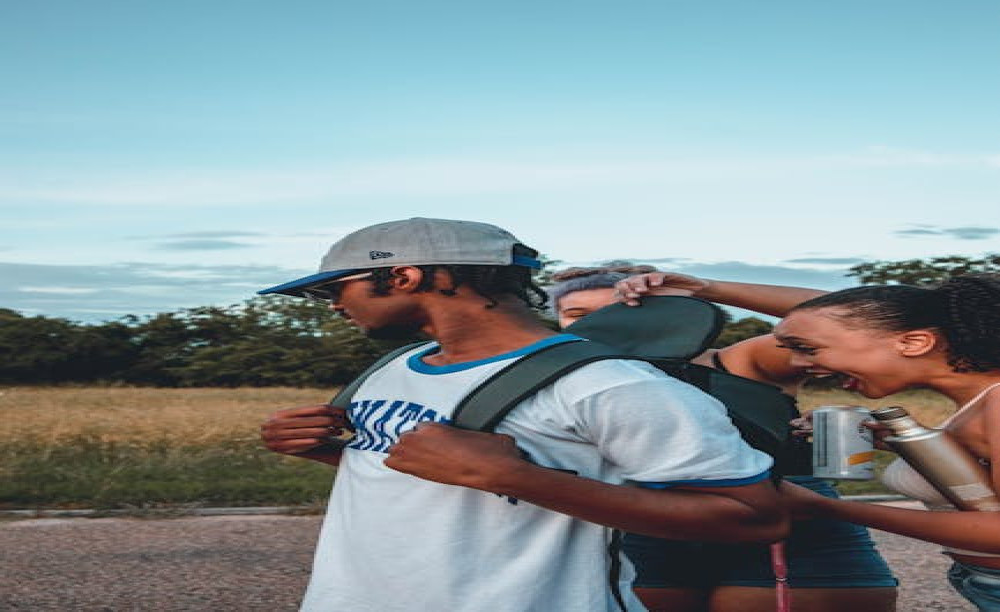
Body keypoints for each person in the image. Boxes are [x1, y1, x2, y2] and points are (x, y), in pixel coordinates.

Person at [257, 218, 787, 612]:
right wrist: (330, 451)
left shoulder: (610, 383)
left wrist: (514, 477)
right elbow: (432, 476)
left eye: (333, 288)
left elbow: (758, 518)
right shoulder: (395, 365)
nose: (332, 304)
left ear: (404, 276)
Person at [622, 270, 1000, 611]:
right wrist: (904, 444)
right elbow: (862, 319)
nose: (798, 365)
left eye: (808, 350)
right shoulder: (974, 402)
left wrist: (826, 507)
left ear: (915, 342)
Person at [551, 265, 898, 612]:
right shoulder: (554, 380)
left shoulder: (741, 361)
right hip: (648, 529)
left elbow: (862, 318)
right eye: (577, 314)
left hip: (792, 520)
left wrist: (707, 288)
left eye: (619, 309)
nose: (603, 322)